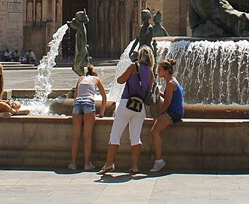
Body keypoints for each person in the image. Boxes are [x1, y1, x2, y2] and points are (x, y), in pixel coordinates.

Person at [99, 47, 155, 175]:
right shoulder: (150, 73)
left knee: (115, 135)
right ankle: (134, 167)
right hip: (140, 107)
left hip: (126, 103)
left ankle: (109, 164)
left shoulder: (134, 66)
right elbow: (149, 91)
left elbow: (120, 80)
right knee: (135, 137)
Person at [68, 64, 107, 171]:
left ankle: (73, 163)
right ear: (95, 74)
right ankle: (87, 164)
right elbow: (104, 97)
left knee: (76, 135)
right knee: (87, 136)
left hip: (77, 104)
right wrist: (101, 114)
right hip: (88, 104)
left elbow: (76, 97)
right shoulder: (96, 79)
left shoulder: (81, 79)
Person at [149, 58, 184, 173]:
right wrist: (158, 93)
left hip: (174, 112)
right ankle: (158, 160)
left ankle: (159, 161)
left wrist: (159, 115)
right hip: (176, 111)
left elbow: (167, 103)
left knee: (154, 132)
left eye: (160, 69)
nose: (158, 72)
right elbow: (168, 98)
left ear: (166, 70)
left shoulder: (170, 84)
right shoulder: (172, 81)